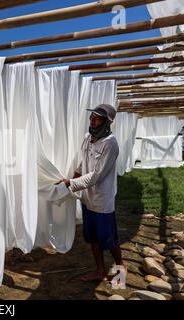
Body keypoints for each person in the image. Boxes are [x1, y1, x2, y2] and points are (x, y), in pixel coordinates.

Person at [61, 104, 125, 282]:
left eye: (97, 118)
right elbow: (84, 162)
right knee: (92, 238)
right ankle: (99, 270)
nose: (93, 120)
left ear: (107, 122)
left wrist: (71, 183)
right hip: (87, 198)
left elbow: (97, 175)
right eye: (92, 117)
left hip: (102, 200)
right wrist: (74, 176)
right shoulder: (88, 138)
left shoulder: (110, 144)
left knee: (109, 239)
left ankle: (121, 266)